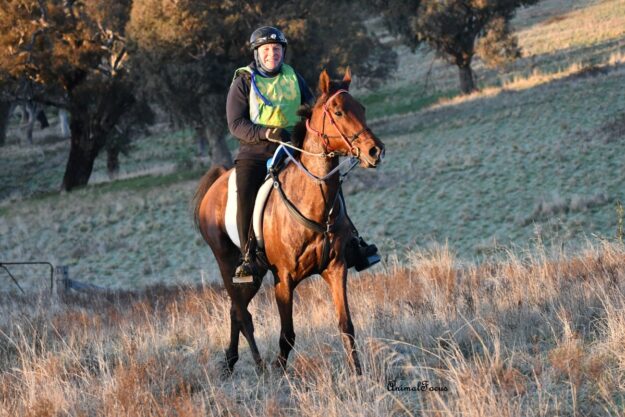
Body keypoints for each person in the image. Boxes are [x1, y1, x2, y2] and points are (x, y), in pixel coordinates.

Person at [226, 26, 380, 284]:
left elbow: (313, 110)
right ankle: (248, 257)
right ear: (257, 53)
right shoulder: (243, 81)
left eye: (276, 49)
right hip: (256, 151)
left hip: (294, 146)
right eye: (266, 50)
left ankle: (352, 242)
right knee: (246, 190)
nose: (272, 54)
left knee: (328, 180)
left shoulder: (292, 77)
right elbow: (236, 124)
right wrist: (266, 133)